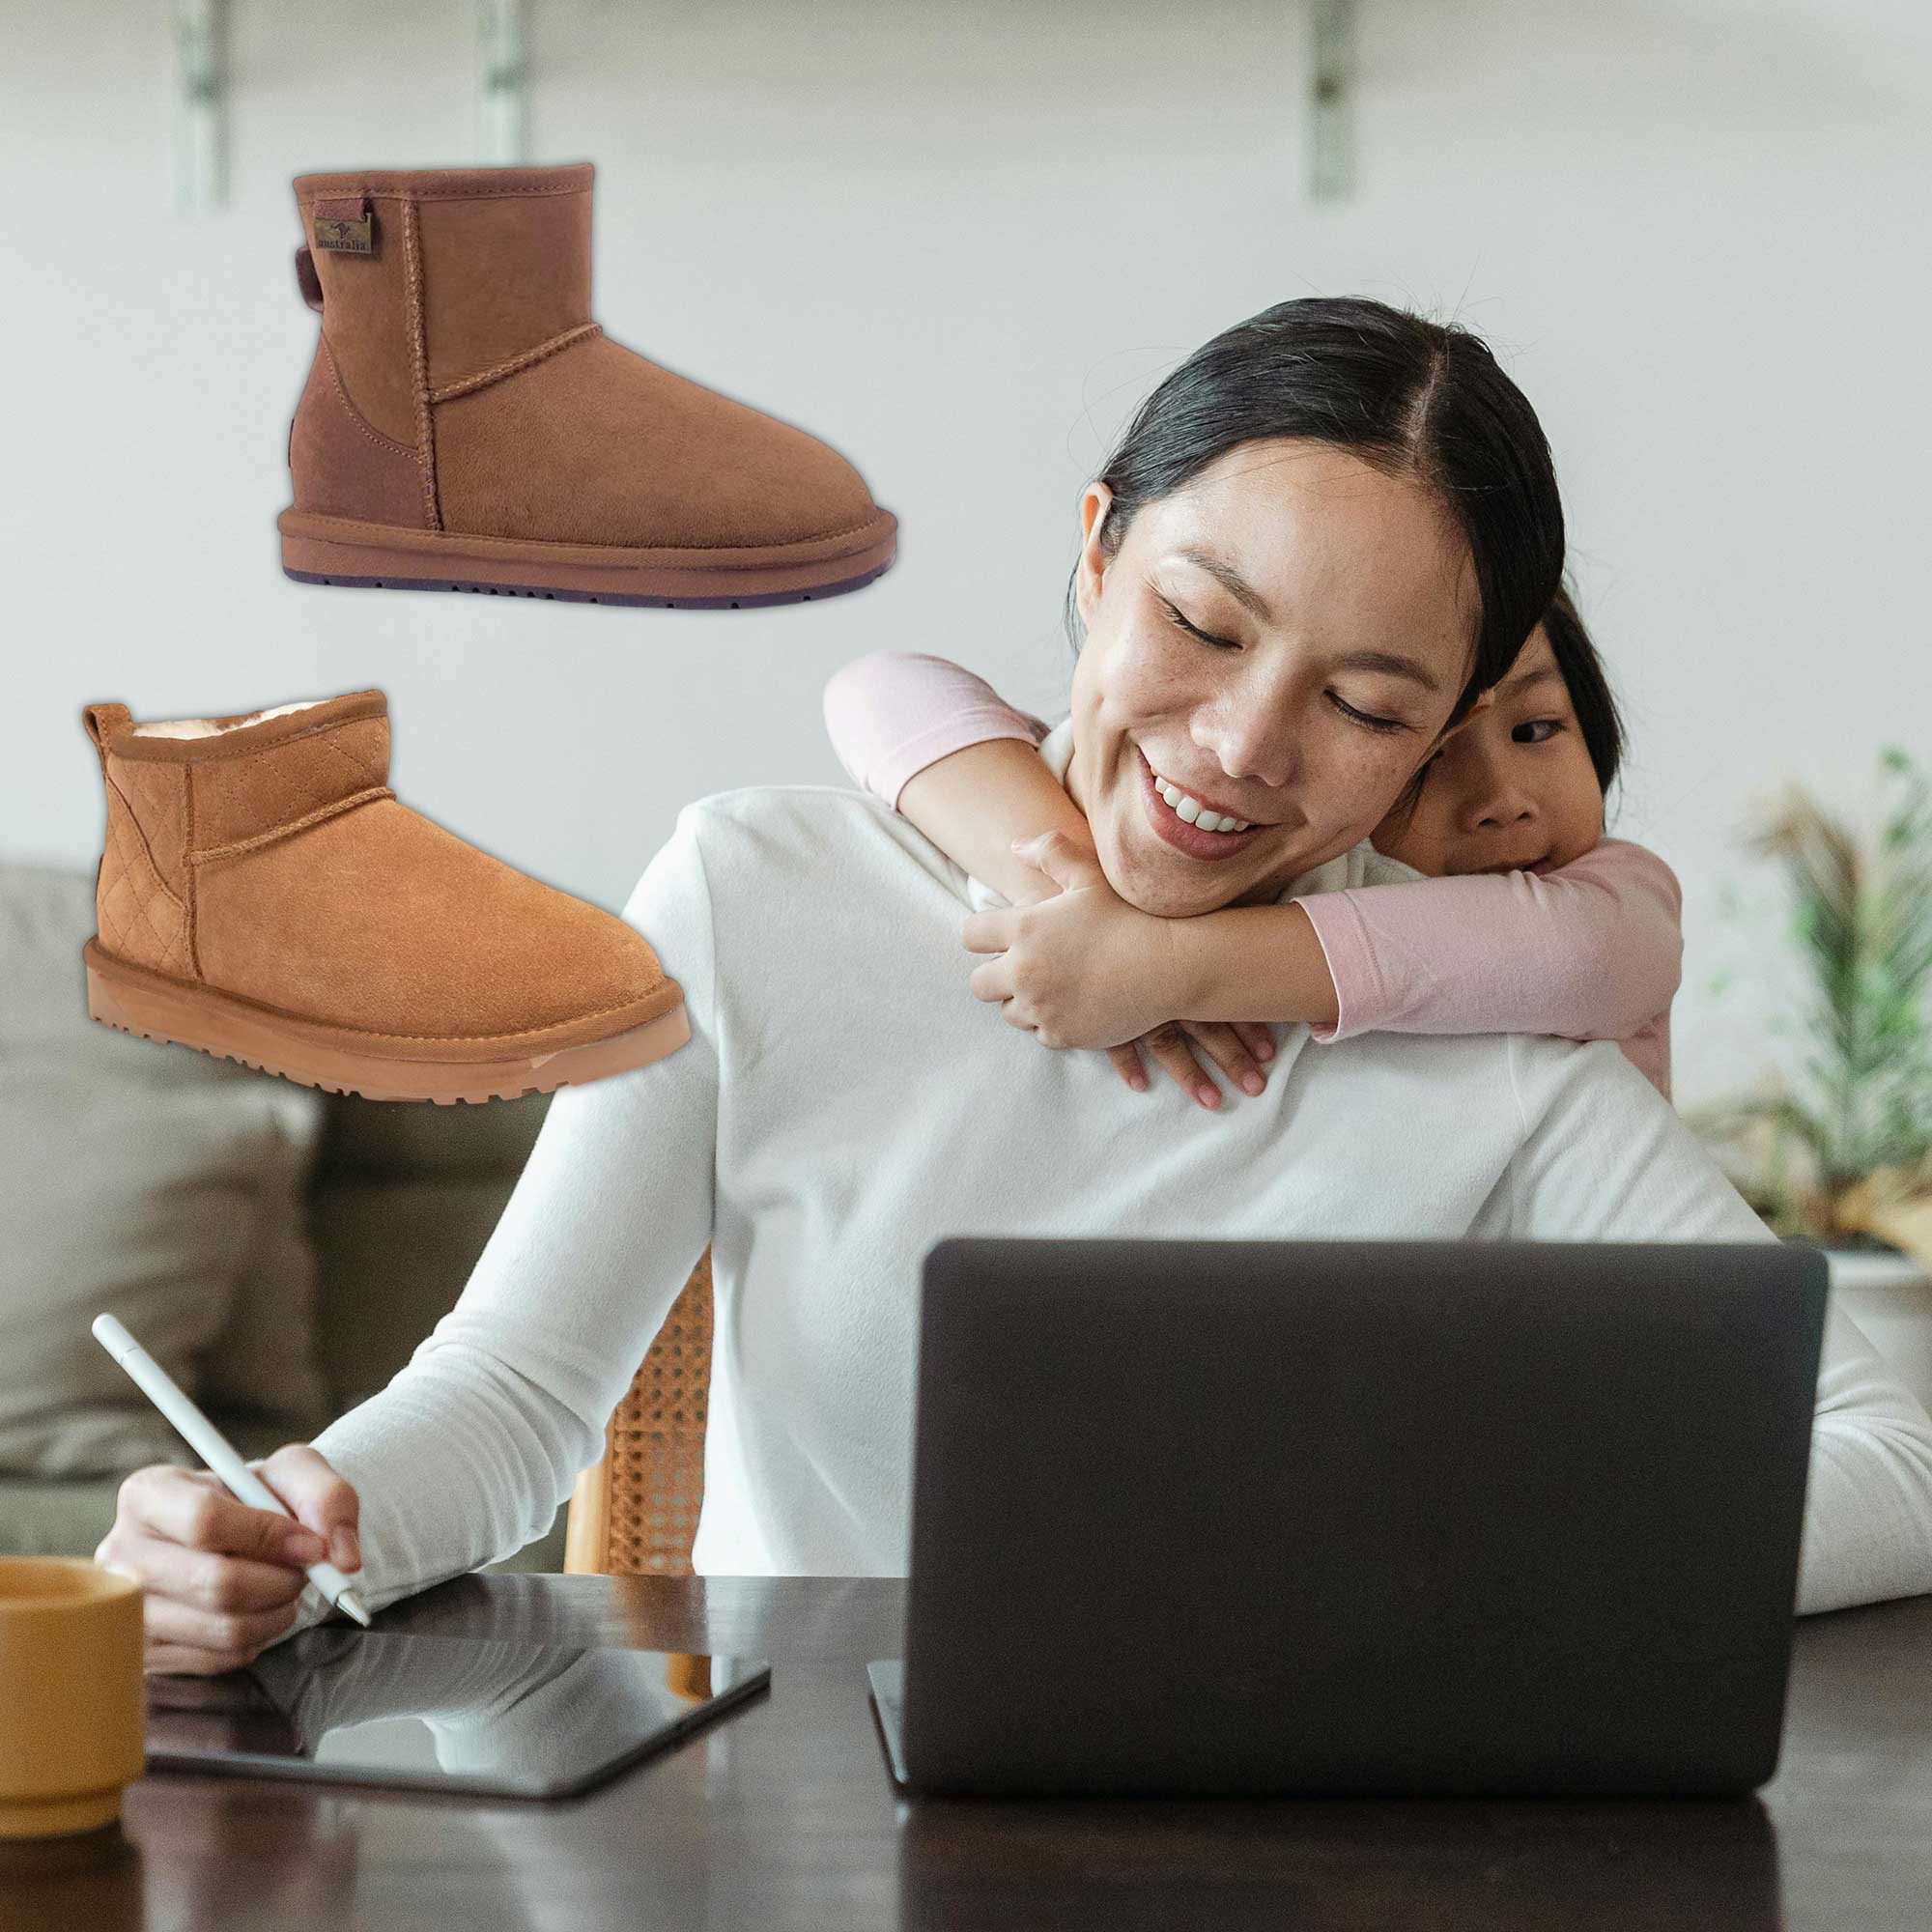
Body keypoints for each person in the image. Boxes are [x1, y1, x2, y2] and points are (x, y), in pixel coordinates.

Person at [98, 298, 1932, 1677]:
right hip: (798, 1822)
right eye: (1202, 626)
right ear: (1095, 550)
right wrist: (275, 1523)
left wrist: (1500, 1540)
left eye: (1365, 706)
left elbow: (1898, 1457)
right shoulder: (758, 897)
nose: (1240, 746)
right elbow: (511, 1404)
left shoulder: (1490, 1042)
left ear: (1444, 732)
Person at [822, 587, 1683, 1102]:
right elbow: (880, 689)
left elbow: (1576, 958)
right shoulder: (1295, 872)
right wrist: (1069, 892)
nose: (1502, 803)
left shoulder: (1617, 901)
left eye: (1538, 729)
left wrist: (1161, 965)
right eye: (1428, 759)